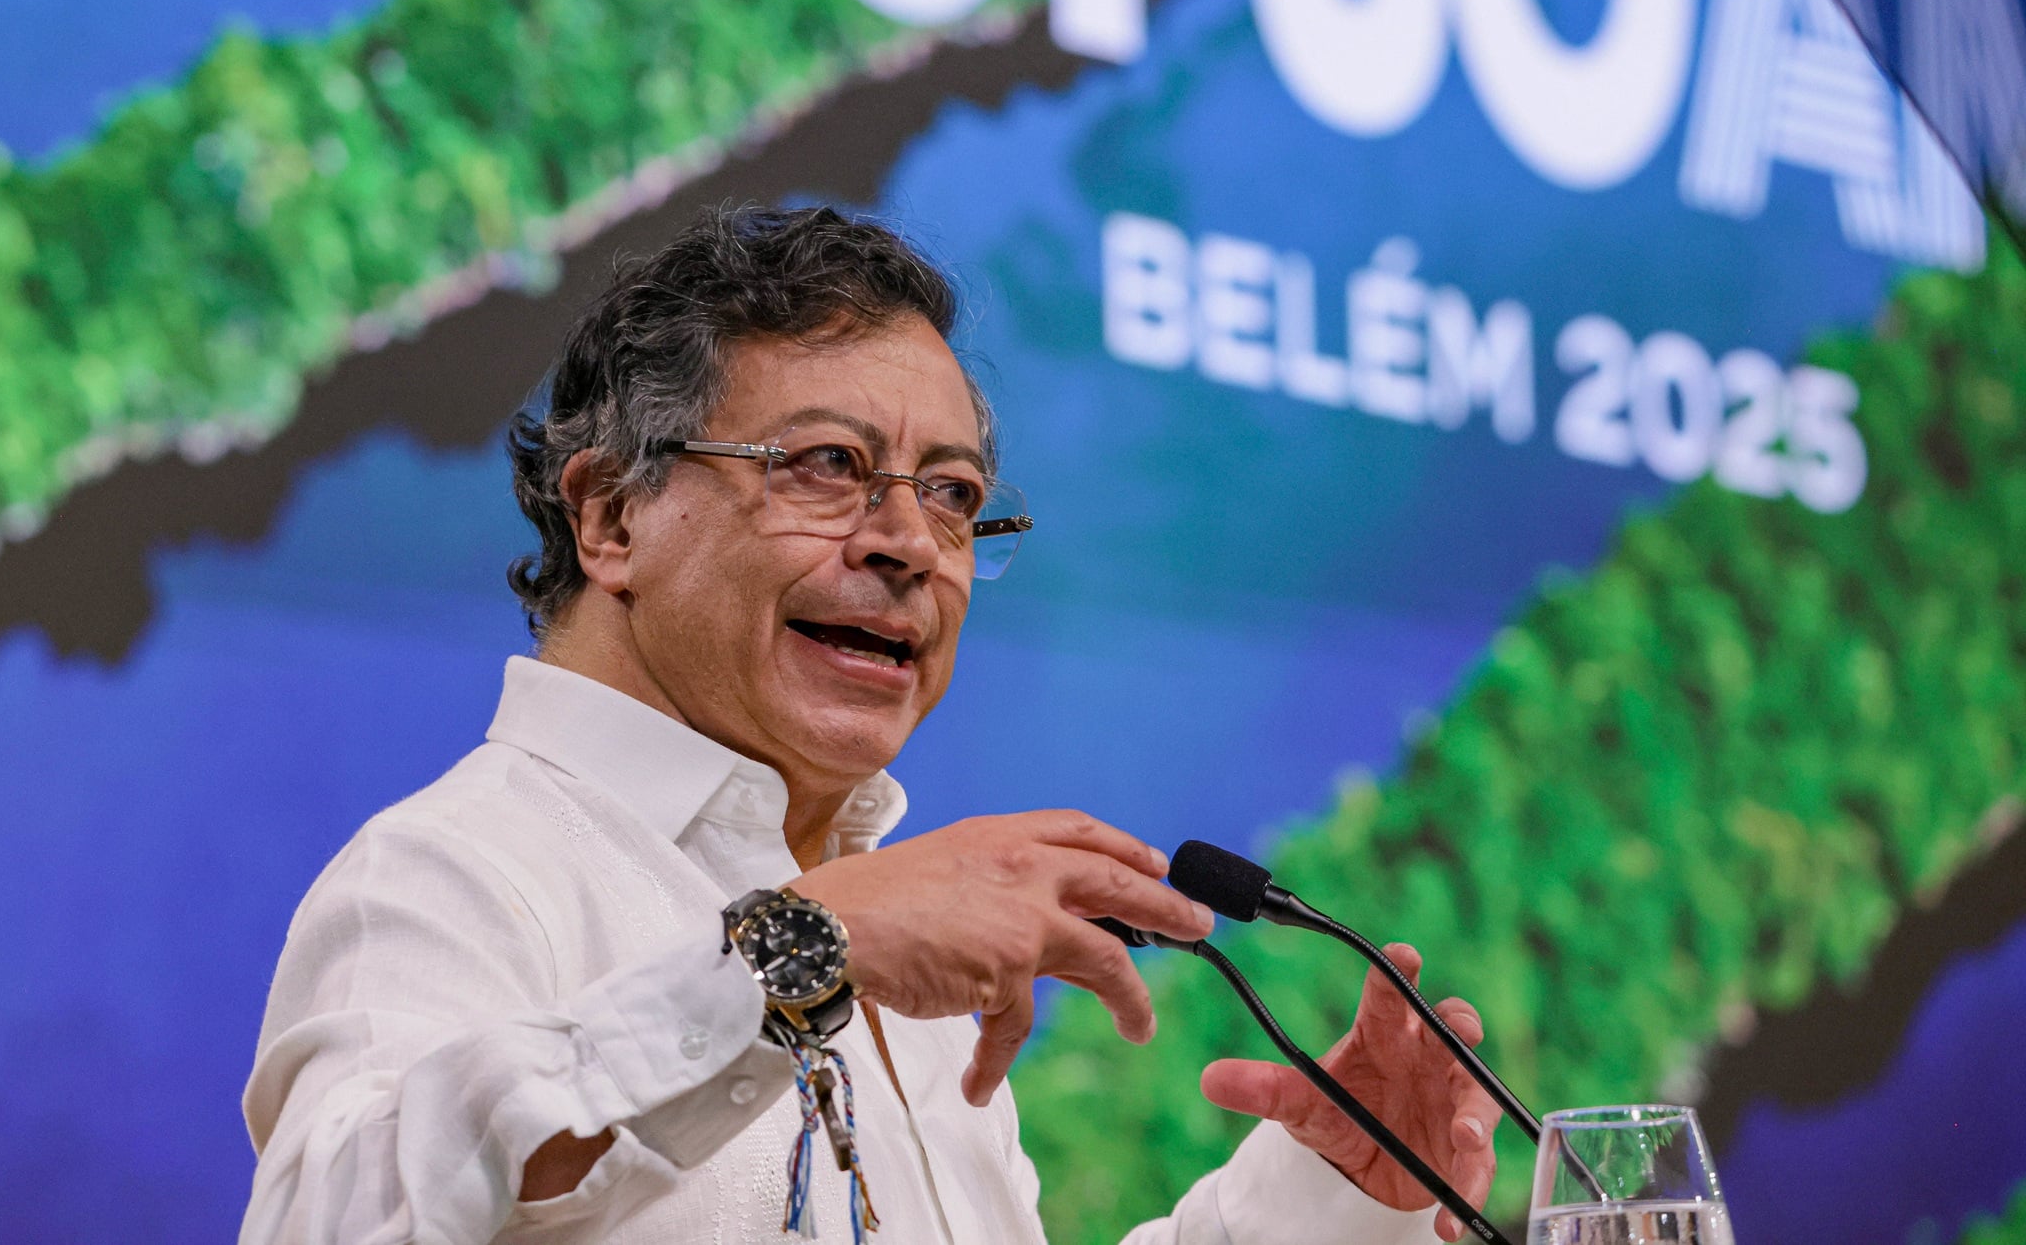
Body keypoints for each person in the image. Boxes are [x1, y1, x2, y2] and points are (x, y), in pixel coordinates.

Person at [240, 205, 1498, 1245]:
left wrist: (1322, 1200)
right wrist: (801, 949)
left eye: (950, 496)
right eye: (827, 465)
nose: (908, 545)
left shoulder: (891, 920)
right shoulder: (455, 872)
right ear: (612, 517)